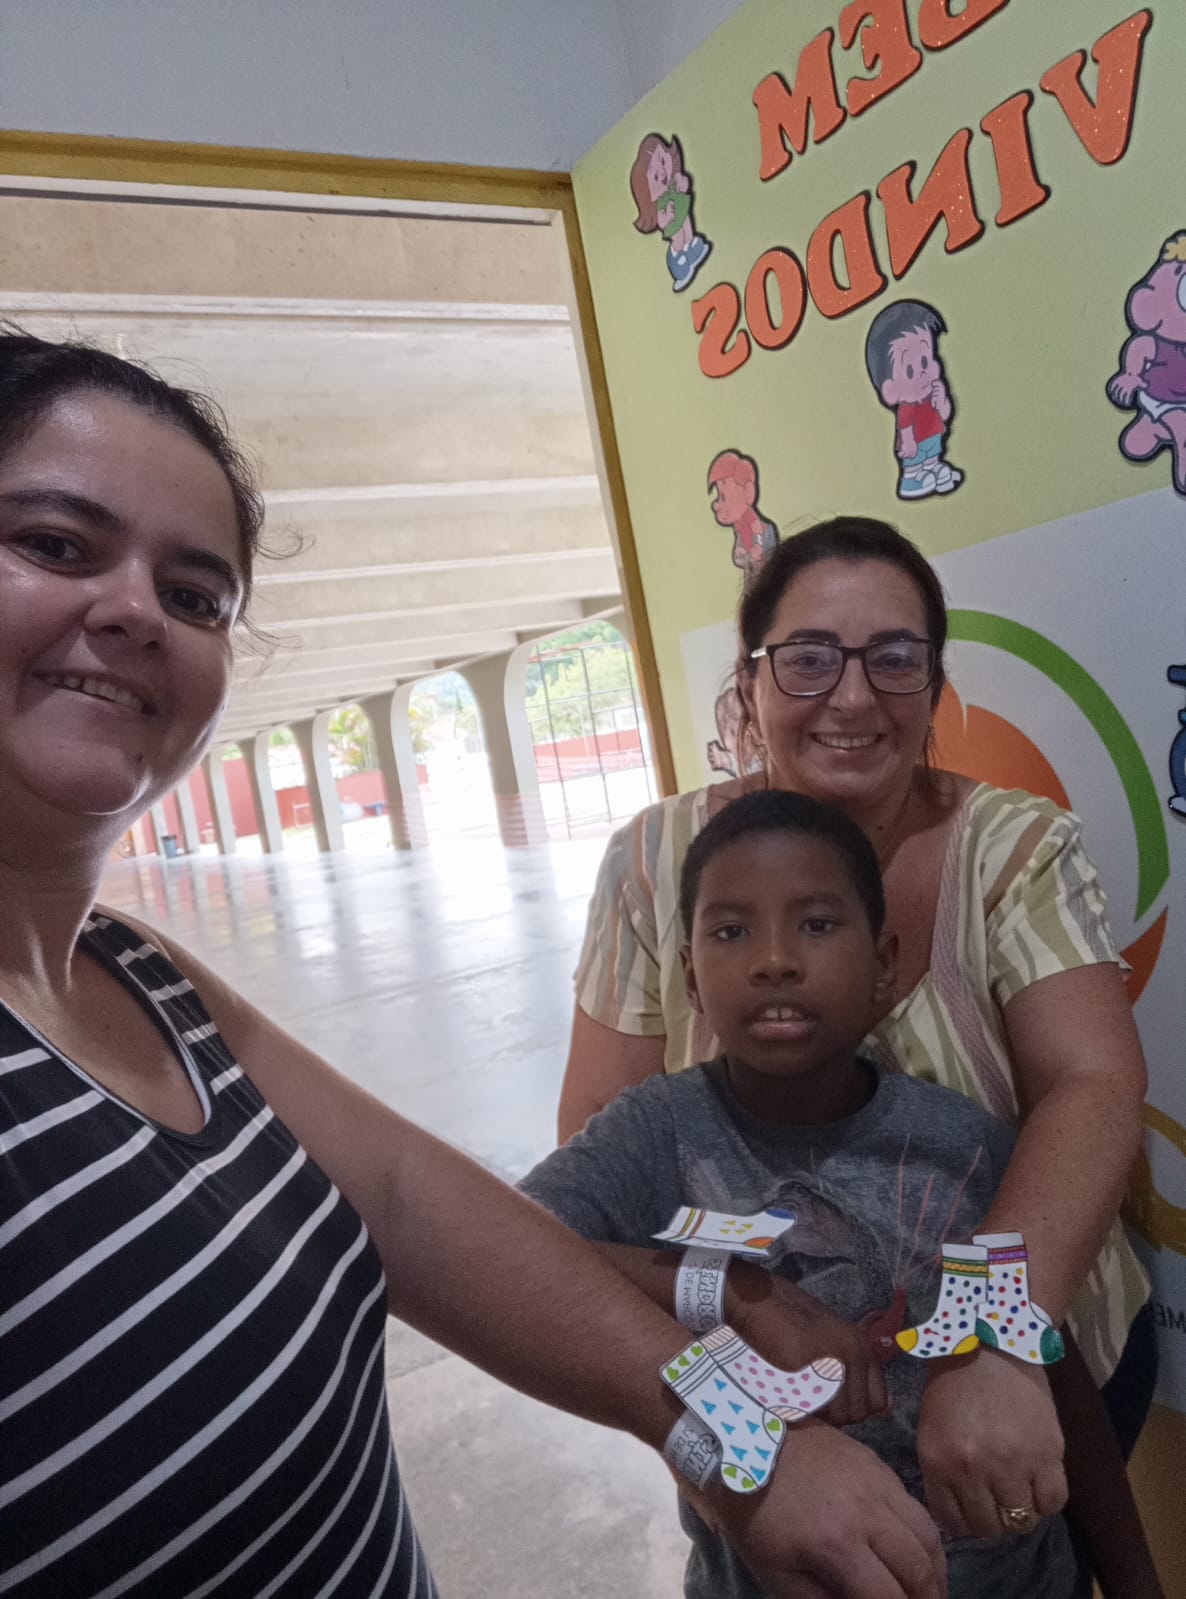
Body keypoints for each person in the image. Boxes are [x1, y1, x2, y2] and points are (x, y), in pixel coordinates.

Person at [0, 335, 947, 1599]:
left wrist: (737, 1439)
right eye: (55, 544)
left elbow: (406, 1202)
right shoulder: (650, 881)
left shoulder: (142, 977)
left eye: (194, 593)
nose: (132, 610)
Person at [557, 516, 1155, 1544]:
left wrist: (990, 1341)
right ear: (746, 687)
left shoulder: (1014, 850)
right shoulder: (654, 864)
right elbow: (596, 1170)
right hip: (774, 1421)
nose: (850, 695)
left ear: (933, 685)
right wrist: (735, 1327)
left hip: (1028, 1385)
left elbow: (1090, 1083)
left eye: (893, 657)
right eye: (807, 658)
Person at [525, 788, 1085, 1597]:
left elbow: (1051, 1366)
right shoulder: (657, 1135)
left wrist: (1132, 1572)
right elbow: (510, 1249)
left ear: (884, 965)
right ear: (690, 973)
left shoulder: (963, 1148)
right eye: (731, 930)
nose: (775, 960)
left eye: (817, 924)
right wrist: (731, 1290)